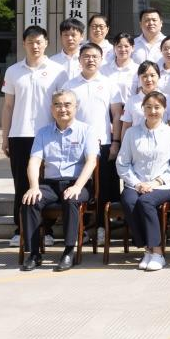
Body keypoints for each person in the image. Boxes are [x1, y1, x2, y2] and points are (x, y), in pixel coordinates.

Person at [2, 26, 68, 247]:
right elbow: (8, 107)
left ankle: (46, 230)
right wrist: (5, 137)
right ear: (24, 44)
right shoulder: (13, 71)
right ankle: (20, 229)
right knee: (22, 183)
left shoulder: (58, 71)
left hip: (49, 134)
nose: (35, 46)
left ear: (46, 43)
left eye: (39, 41)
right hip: (19, 135)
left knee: (45, 183)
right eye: (30, 42)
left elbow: (63, 105)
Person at [19, 90, 99, 272]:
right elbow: (34, 162)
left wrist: (77, 186)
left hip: (77, 183)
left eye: (67, 104)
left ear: (76, 107)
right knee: (31, 200)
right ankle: (34, 253)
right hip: (50, 184)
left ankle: (69, 251)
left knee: (71, 199)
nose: (62, 109)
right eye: (57, 105)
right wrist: (34, 187)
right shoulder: (43, 133)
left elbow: (91, 161)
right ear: (51, 109)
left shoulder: (87, 131)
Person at [115, 91, 170, 271]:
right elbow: (122, 163)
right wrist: (137, 183)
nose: (153, 111)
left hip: (162, 185)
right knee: (129, 200)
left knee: (145, 201)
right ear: (142, 109)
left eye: (157, 107)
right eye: (148, 107)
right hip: (136, 183)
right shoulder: (131, 133)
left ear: (164, 109)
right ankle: (148, 249)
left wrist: (155, 183)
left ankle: (158, 252)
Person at [64, 44, 117, 236]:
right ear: (79, 60)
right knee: (80, 185)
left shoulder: (109, 83)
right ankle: (82, 229)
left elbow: (116, 115)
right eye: (86, 56)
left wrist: (116, 142)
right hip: (75, 144)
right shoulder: (69, 85)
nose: (90, 60)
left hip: (103, 142)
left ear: (101, 60)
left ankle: (102, 226)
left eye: (95, 56)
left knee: (103, 188)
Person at [116, 61, 170, 144]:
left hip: (162, 144)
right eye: (144, 76)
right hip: (136, 145)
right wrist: (124, 147)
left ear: (159, 76)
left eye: (152, 75)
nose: (149, 79)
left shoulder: (167, 99)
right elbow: (126, 127)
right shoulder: (132, 101)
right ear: (139, 78)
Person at [101, 32, 138, 106]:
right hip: (108, 110)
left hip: (129, 110)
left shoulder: (138, 69)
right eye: (119, 46)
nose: (123, 49)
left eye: (126, 46)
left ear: (133, 48)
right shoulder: (103, 69)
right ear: (114, 48)